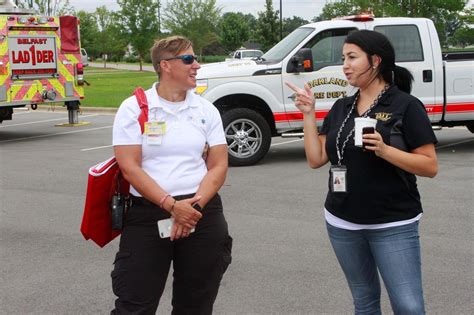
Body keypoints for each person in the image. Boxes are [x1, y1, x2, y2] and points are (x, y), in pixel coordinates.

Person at [286, 30, 438, 314]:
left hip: (393, 223)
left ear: (376, 61)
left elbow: (429, 165)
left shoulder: (405, 105)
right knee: (364, 302)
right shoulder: (342, 107)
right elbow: (316, 158)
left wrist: (385, 150)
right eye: (343, 57)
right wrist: (309, 114)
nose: (345, 64)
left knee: (409, 306)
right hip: (342, 222)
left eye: (352, 57)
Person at [110, 35, 232, 314]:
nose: (197, 65)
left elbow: (218, 165)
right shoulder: (134, 108)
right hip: (149, 214)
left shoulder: (205, 109)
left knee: (196, 304)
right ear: (165, 65)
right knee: (135, 305)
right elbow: (130, 167)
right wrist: (171, 206)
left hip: (201, 213)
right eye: (189, 59)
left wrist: (193, 208)